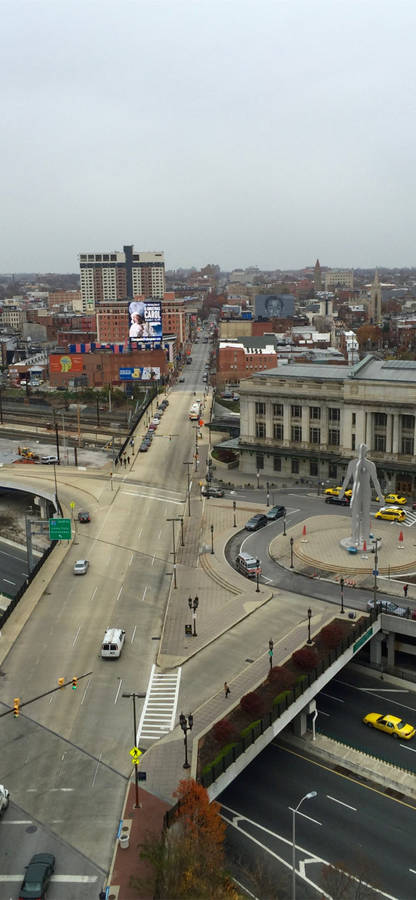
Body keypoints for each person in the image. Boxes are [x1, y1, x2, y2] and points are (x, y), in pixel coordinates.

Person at [339, 444, 384, 547]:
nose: (361, 452)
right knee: (355, 515)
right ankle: (355, 538)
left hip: (366, 491)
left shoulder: (370, 465)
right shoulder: (353, 463)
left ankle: (366, 538)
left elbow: (375, 481)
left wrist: (380, 495)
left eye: (363, 450)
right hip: (356, 491)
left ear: (366, 452)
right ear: (358, 451)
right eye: (360, 450)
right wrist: (342, 491)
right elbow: (347, 478)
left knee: (366, 515)